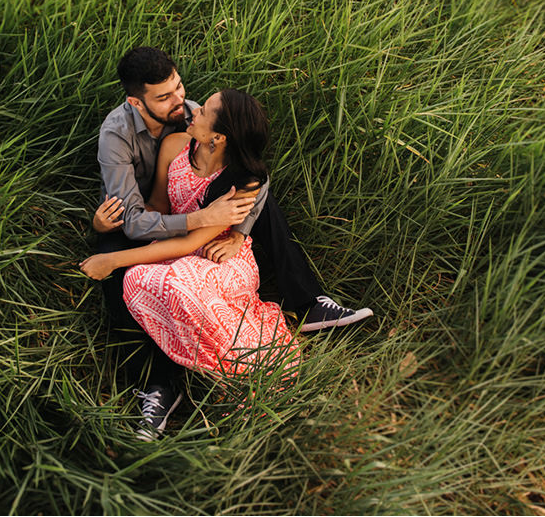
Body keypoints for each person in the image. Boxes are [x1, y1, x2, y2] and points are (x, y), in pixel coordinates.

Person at [85, 47, 372, 439]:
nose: (183, 104)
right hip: (138, 218)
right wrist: (196, 221)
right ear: (137, 101)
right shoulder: (116, 135)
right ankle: (158, 385)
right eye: (165, 97)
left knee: (258, 202)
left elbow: (255, 172)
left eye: (180, 88)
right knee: (114, 269)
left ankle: (306, 303)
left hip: (203, 225)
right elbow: (137, 219)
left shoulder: (193, 118)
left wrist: (237, 231)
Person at [81, 89, 300, 390]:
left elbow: (189, 244)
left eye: (204, 111)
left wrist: (112, 260)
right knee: (137, 279)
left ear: (219, 137)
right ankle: (193, 359)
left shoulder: (242, 181)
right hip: (171, 250)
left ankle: (242, 364)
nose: (192, 110)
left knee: (178, 283)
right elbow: (159, 206)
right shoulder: (174, 146)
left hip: (219, 257)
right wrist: (119, 220)